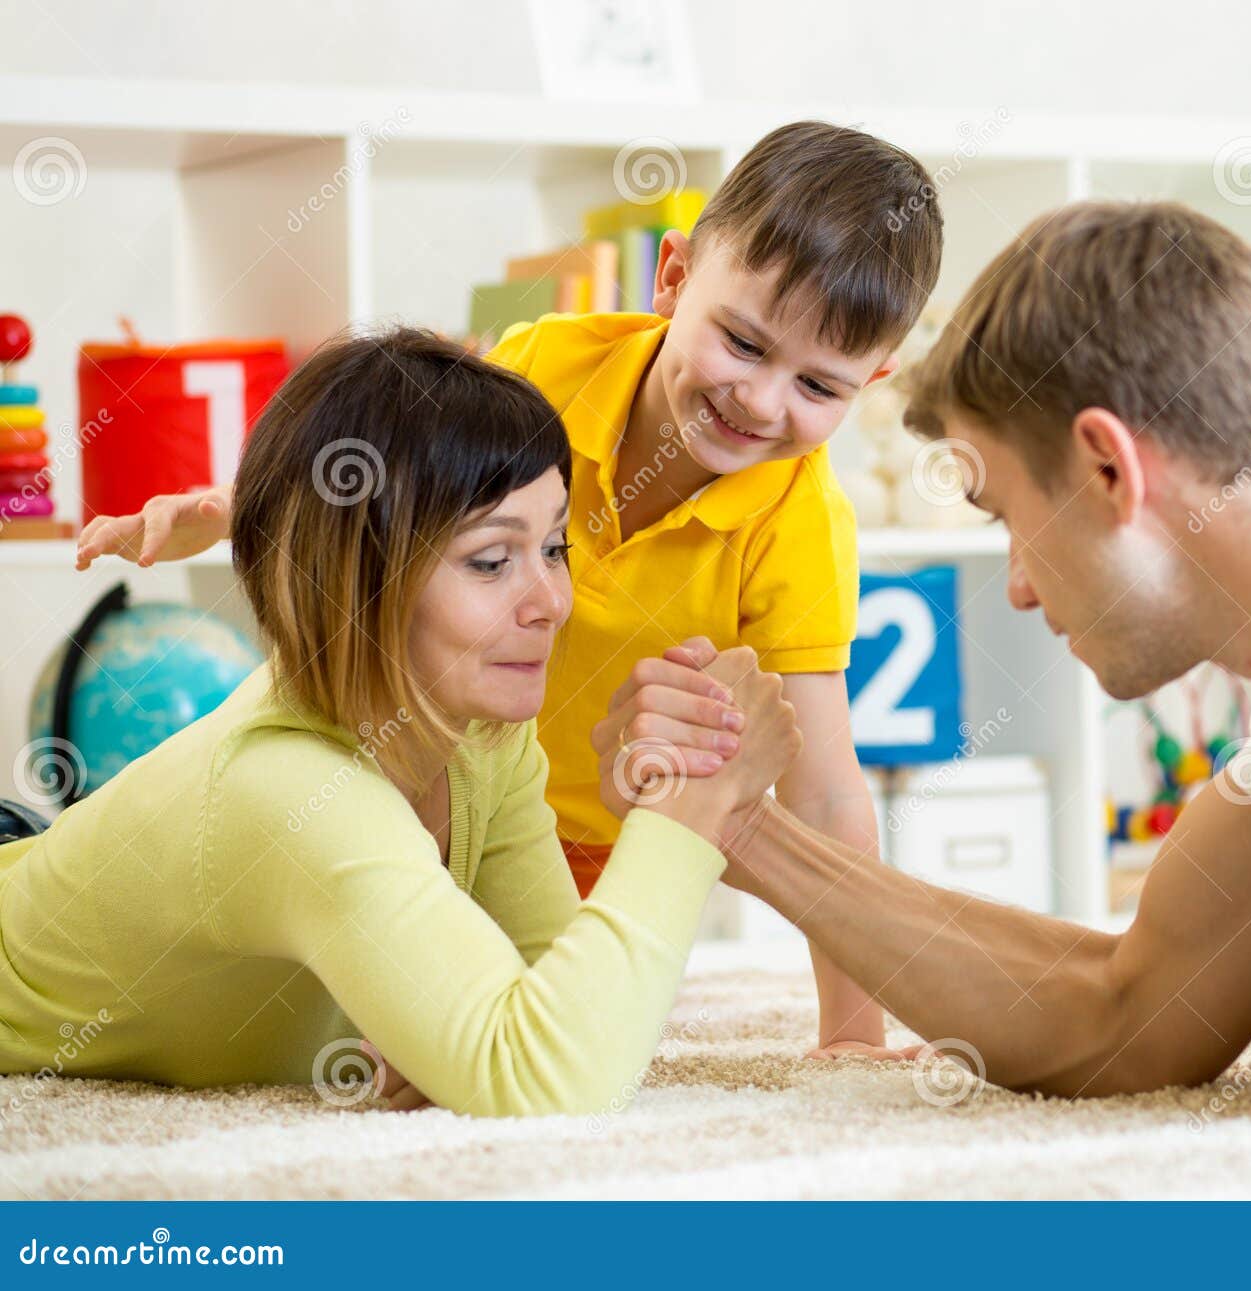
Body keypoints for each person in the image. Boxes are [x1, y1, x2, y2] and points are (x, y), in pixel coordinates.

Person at [608, 201, 1251, 1130]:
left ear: (1106, 470)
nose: (1019, 590)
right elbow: (1122, 1020)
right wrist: (741, 824)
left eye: (1008, 521)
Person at [75, 121, 944, 1061]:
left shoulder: (802, 522)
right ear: (675, 277)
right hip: (447, 784)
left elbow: (822, 796)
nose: (763, 401)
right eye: (742, 342)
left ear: (875, 382)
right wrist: (236, 506)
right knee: (373, 924)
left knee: (559, 1038)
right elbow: (395, 468)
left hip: (605, 850)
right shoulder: (551, 363)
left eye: (820, 386)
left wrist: (854, 1032)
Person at [3, 327, 798, 1118]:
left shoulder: (483, 735)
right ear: (359, 581)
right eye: (491, 561)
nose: (552, 602)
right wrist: (688, 806)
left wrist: (464, 1039)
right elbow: (549, 1080)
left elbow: (574, 1010)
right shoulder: (292, 790)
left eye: (553, 546)